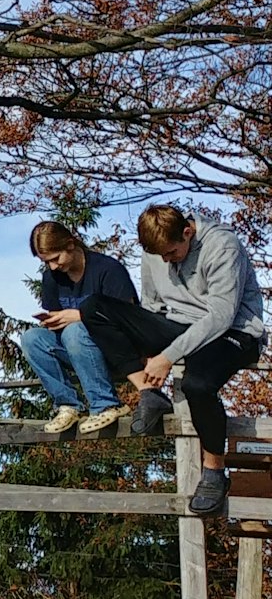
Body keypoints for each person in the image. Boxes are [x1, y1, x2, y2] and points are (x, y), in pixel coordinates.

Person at [83, 203, 266, 516]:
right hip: (178, 324)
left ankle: (213, 471)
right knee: (94, 308)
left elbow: (221, 316)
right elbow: (152, 305)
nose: (166, 260)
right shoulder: (154, 252)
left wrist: (168, 356)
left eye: (172, 253)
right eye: (160, 255)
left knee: (197, 384)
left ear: (187, 231)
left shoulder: (223, 247)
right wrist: (148, 345)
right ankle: (149, 393)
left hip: (233, 332)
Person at [19, 220, 139, 438]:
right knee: (31, 338)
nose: (54, 266)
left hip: (117, 351)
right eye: (47, 262)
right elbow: (57, 321)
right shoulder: (51, 277)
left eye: (56, 259)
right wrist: (53, 321)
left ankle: (105, 405)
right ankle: (68, 405)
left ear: (71, 245)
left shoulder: (108, 269)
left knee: (75, 331)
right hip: (77, 350)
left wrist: (79, 317)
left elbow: (130, 317)